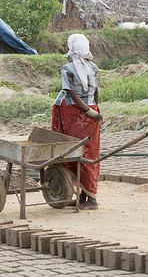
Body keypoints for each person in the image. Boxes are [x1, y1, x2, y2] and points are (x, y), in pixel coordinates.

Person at [51, 34, 103, 210]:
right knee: (89, 153)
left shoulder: (67, 68)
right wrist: (94, 111)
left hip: (75, 114)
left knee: (76, 152)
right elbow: (95, 93)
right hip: (91, 115)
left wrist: (87, 111)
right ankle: (84, 196)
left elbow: (71, 93)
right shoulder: (93, 67)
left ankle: (91, 200)